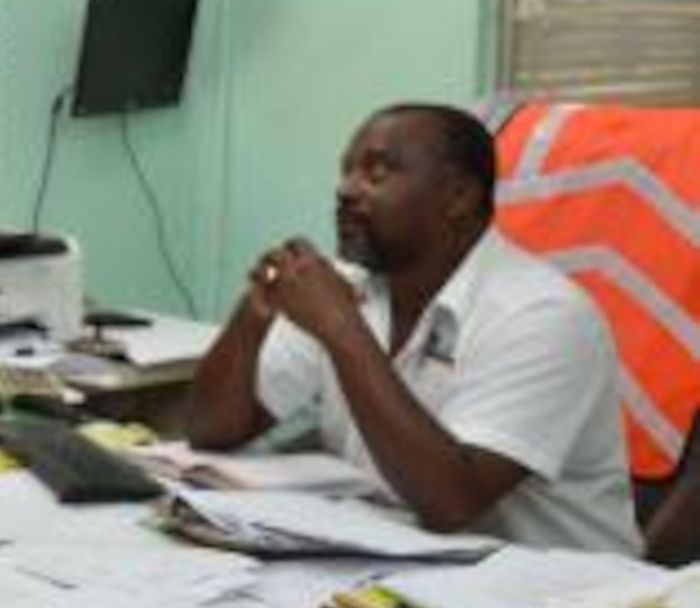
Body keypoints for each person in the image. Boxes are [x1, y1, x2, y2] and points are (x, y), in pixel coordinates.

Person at [186, 102, 640, 554]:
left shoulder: (543, 314)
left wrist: (341, 329)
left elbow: (452, 502)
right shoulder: (349, 288)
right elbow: (213, 431)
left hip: (559, 598)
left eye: (377, 173)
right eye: (345, 172)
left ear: (459, 196)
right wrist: (255, 313)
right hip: (400, 564)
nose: (345, 190)